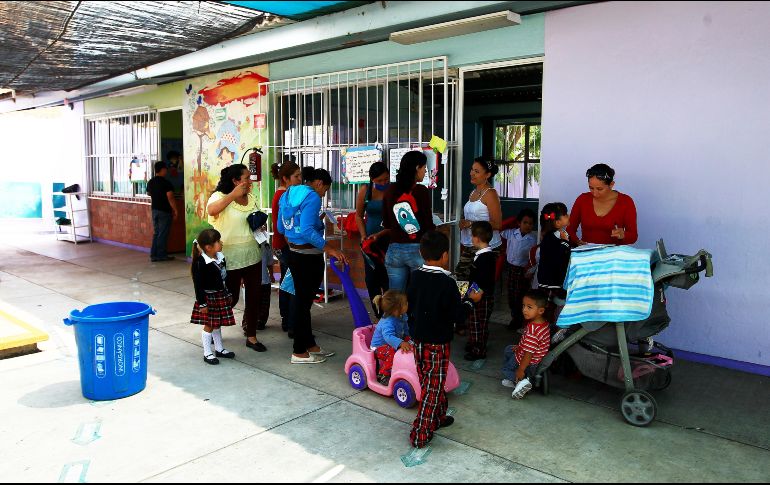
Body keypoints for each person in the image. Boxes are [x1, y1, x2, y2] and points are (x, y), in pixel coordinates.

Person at [277, 168, 348, 364]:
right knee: (302, 305)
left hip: (295, 253)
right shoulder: (312, 197)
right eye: (324, 190)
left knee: (303, 303)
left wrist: (294, 241)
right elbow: (307, 230)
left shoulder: (287, 194)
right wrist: (330, 249)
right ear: (318, 183)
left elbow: (281, 227)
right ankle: (299, 351)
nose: (323, 194)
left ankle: (310, 345)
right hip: (308, 257)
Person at [407, 231, 467, 449]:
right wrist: (469, 302)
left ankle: (439, 416)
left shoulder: (414, 275)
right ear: (444, 255)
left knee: (429, 379)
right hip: (438, 343)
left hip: (418, 340)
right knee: (433, 387)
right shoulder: (447, 283)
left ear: (422, 254)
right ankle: (420, 433)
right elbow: (457, 315)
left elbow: (411, 304)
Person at [206, 164, 267, 353]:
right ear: (235, 181)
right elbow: (211, 210)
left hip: (252, 254)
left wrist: (259, 227)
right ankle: (214, 331)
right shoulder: (220, 196)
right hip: (229, 258)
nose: (250, 181)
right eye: (247, 178)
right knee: (228, 298)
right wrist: (232, 195)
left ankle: (251, 336)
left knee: (254, 297)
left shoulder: (252, 198)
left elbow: (253, 220)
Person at [382, 151, 436, 292]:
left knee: (395, 298)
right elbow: (428, 225)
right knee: (420, 295)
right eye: (424, 168)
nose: (425, 171)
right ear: (417, 167)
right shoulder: (421, 191)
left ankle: (394, 315)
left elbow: (387, 223)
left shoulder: (390, 190)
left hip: (394, 250)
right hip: (417, 249)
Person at [190, 229, 236, 365]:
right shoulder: (201, 263)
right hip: (208, 298)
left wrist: (228, 292)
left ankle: (219, 349)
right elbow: (198, 286)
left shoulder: (220, 257)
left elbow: (224, 277)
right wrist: (202, 303)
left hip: (220, 295)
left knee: (217, 323)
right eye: (218, 241)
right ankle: (207, 352)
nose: (221, 243)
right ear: (208, 247)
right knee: (209, 325)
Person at [567, 163, 638, 246]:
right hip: (586, 253)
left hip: (613, 255)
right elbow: (570, 229)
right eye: (591, 188)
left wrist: (623, 235)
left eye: (600, 189)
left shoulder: (626, 202)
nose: (595, 193)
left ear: (611, 184)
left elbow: (633, 236)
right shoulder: (582, 200)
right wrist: (576, 241)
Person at [456, 158, 503, 281]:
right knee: (463, 277)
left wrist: (470, 224)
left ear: (487, 175)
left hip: (486, 246)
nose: (471, 173)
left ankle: (471, 300)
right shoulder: (473, 192)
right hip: (472, 243)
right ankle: (466, 300)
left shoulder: (490, 193)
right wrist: (463, 221)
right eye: (472, 170)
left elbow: (497, 224)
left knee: (478, 281)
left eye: (476, 171)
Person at [271, 159, 303, 333]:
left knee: (287, 281)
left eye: (300, 176)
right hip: (285, 245)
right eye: (296, 176)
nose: (300, 180)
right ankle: (290, 323)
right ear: (285, 178)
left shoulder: (287, 194)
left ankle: (288, 320)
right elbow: (281, 225)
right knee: (291, 283)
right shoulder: (282, 196)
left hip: (285, 244)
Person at [501, 289, 550, 399]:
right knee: (508, 349)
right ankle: (523, 380)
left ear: (541, 310)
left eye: (529, 307)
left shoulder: (532, 330)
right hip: (535, 358)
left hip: (527, 361)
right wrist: (520, 346)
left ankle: (521, 382)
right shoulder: (543, 323)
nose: (524, 310)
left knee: (506, 369)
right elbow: (531, 345)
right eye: (523, 306)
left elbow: (528, 354)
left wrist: (521, 370)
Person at [355, 161, 391, 315]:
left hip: (390, 240)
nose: (384, 183)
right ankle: (378, 314)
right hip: (370, 243)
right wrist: (363, 236)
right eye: (380, 180)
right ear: (372, 179)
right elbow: (358, 216)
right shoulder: (365, 190)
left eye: (386, 179)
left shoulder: (393, 190)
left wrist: (382, 234)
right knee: (371, 279)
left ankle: (391, 312)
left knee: (388, 278)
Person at [464, 221, 498, 361]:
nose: (471, 238)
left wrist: (475, 294)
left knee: (478, 324)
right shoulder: (485, 255)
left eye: (472, 236)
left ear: (477, 238)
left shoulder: (486, 258)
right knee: (476, 322)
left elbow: (483, 280)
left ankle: (478, 350)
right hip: (478, 295)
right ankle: (474, 343)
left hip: (481, 297)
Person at [500, 208, 538, 330]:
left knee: (520, 297)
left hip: (524, 271)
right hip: (511, 269)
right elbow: (499, 229)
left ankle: (519, 321)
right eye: (525, 222)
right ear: (519, 223)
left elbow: (534, 257)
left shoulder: (533, 239)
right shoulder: (511, 233)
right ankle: (514, 318)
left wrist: (531, 271)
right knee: (511, 296)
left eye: (531, 223)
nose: (528, 226)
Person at [537, 202, 572, 323]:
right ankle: (543, 334)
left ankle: (552, 332)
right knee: (545, 310)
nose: (569, 216)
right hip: (549, 282)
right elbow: (560, 256)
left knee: (556, 309)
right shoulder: (549, 238)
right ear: (557, 222)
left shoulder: (562, 235)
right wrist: (566, 243)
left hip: (558, 281)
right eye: (566, 215)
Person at [370, 290, 412, 385]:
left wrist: (409, 338)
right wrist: (401, 343)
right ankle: (384, 375)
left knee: (412, 343)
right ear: (396, 309)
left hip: (392, 342)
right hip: (379, 347)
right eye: (405, 303)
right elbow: (388, 337)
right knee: (392, 352)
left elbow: (405, 330)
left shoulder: (402, 315)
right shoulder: (388, 321)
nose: (407, 304)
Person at [146, 161, 179, 262]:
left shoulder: (151, 182)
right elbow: (170, 197)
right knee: (162, 233)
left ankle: (154, 254)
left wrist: (157, 196)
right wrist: (175, 209)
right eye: (166, 169)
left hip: (154, 210)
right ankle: (161, 255)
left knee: (156, 233)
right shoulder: (166, 183)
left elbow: (148, 193)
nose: (166, 171)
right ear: (163, 170)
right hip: (164, 211)